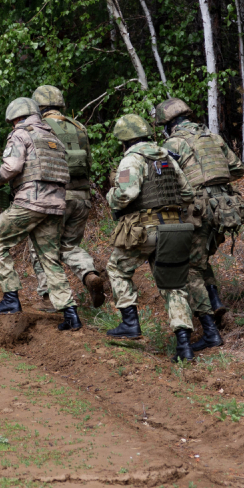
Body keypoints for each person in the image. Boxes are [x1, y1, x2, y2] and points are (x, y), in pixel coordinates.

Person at [102, 114, 219, 360]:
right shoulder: (166, 157)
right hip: (174, 230)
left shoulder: (131, 159)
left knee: (116, 268)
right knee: (174, 284)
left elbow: (126, 194)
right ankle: (184, 346)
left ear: (123, 140)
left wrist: (110, 196)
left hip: (144, 230)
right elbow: (187, 192)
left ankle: (130, 323)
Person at [0, 97, 79, 330]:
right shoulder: (53, 138)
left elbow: (12, 167)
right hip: (55, 205)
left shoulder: (21, 134)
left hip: (30, 203)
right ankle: (71, 313)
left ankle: (11, 298)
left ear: (15, 117)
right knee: (49, 258)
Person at [155, 98, 244, 325]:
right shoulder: (212, 137)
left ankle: (208, 322)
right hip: (225, 208)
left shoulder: (172, 144)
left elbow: (165, 184)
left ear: (168, 124)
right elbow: (237, 169)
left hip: (199, 210)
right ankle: (215, 303)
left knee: (190, 267)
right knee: (201, 259)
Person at [27, 85, 104, 311]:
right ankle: (89, 273)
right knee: (69, 246)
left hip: (53, 198)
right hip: (81, 198)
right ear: (61, 105)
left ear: (38, 108)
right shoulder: (78, 127)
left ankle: (49, 296)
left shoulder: (37, 128)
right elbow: (88, 163)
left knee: (40, 246)